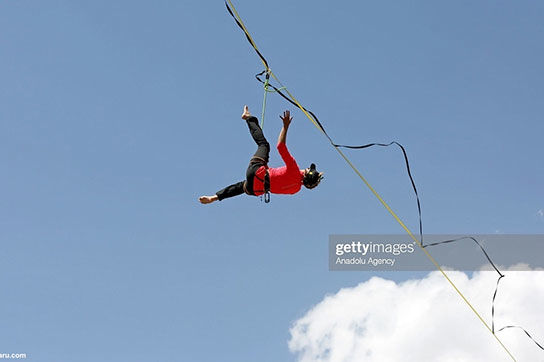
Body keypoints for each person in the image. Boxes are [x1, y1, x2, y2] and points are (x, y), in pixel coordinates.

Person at [199, 105, 323, 204]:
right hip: (256, 189)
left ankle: (248, 118)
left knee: (264, 145)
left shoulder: (294, 170)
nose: (306, 168)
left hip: (257, 172)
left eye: (308, 169)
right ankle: (214, 198)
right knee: (241, 187)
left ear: (306, 173)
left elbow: (280, 146)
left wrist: (285, 127)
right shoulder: (295, 190)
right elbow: (278, 182)